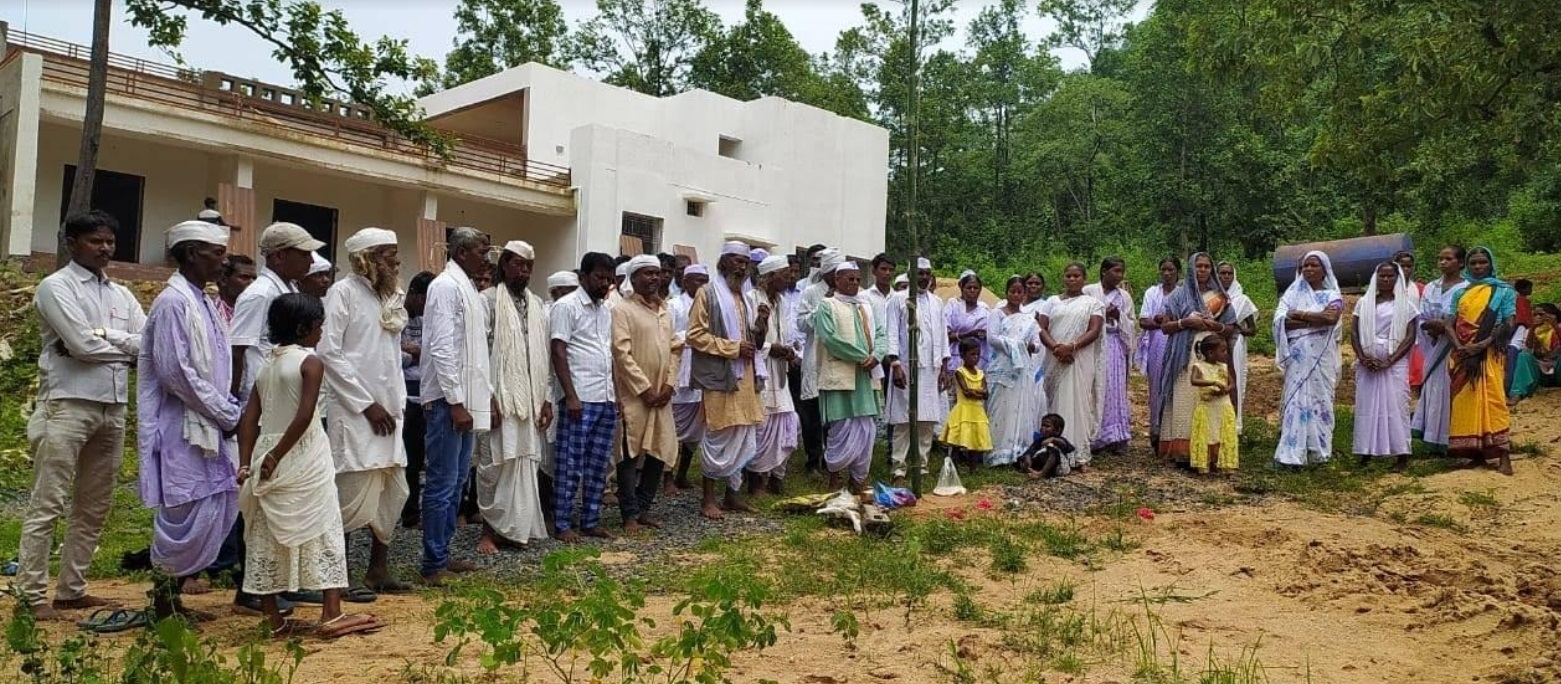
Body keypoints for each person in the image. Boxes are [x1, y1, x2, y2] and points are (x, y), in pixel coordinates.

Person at [20, 211, 145, 621]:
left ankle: (72, 589)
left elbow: (147, 344)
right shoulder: (56, 287)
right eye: (95, 241)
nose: (105, 248)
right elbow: (80, 345)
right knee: (48, 501)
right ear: (71, 242)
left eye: (109, 241)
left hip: (112, 405)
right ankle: (31, 593)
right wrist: (120, 351)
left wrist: (105, 340)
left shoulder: (122, 295)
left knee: (94, 505)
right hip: (67, 403)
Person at [237, 293, 384, 639]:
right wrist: (279, 455)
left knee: (266, 531)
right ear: (304, 328)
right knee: (323, 523)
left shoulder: (267, 364)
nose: (322, 331)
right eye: (319, 325)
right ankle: (331, 613)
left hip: (268, 446)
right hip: (302, 450)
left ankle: (273, 618)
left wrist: (248, 462)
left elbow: (249, 418)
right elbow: (305, 416)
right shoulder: (311, 362)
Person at [138, 220, 241, 620]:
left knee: (213, 507)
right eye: (217, 253)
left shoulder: (204, 301)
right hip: (182, 427)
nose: (223, 260)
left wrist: (224, 411)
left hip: (210, 424)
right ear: (192, 253)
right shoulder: (173, 302)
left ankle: (173, 600)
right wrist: (223, 411)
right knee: (183, 514)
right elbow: (176, 372)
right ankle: (162, 606)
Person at [317, 227, 412, 596]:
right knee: (352, 490)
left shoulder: (389, 296)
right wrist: (366, 404)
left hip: (391, 409)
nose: (397, 261)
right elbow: (328, 352)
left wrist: (387, 403)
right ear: (366, 258)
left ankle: (378, 570)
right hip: (358, 412)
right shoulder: (342, 293)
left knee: (392, 489)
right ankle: (337, 578)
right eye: (389, 255)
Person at [418, 227, 491, 583]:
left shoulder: (466, 287)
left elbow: (473, 353)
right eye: (481, 251)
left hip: (464, 401)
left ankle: (442, 555)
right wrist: (456, 401)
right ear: (462, 253)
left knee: (458, 481)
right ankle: (432, 563)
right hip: (450, 403)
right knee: (442, 483)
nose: (486, 258)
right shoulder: (446, 287)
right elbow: (443, 349)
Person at [687, 241, 765, 519]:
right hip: (719, 376)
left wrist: (760, 328)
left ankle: (732, 495)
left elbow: (750, 337)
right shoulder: (707, 293)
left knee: (744, 435)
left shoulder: (745, 297)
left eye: (745, 262)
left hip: (745, 377)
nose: (741, 267)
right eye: (735, 261)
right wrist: (732, 348)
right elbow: (694, 335)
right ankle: (708, 499)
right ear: (722, 262)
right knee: (718, 435)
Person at [551, 252, 618, 541]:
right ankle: (563, 523)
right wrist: (571, 395)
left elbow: (607, 353)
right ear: (583, 277)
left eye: (609, 279)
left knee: (598, 464)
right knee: (570, 464)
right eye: (599, 277)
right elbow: (558, 350)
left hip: (605, 397)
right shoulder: (566, 306)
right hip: (580, 397)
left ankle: (590, 520)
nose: (604, 284)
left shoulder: (606, 310)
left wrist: (616, 396)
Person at [610, 255, 675, 532]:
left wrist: (669, 385)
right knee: (629, 452)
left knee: (662, 448)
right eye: (646, 274)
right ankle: (629, 515)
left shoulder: (665, 311)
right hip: (634, 394)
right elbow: (620, 353)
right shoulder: (622, 310)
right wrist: (644, 389)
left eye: (656, 274)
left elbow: (675, 349)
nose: (653, 279)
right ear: (633, 278)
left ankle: (644, 506)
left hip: (662, 394)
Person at [1155, 253, 1236, 466]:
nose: (1203, 270)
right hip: (1184, 354)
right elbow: (1165, 327)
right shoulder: (1177, 296)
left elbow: (1230, 328)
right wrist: (1186, 322)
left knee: (1208, 399)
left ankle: (1210, 451)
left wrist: (1214, 326)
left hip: (1211, 355)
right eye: (1198, 266)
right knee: (1185, 397)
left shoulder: (1220, 297)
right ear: (1191, 269)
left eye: (1207, 266)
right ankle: (1183, 451)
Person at [812, 261, 884, 493]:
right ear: (837, 280)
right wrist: (862, 356)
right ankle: (835, 477)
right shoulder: (827, 306)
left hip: (866, 375)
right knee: (840, 429)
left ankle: (858, 478)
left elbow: (882, 333)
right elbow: (830, 339)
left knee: (865, 429)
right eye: (849, 278)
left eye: (857, 279)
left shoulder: (866, 306)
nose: (854, 283)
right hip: (841, 375)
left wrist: (877, 356)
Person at [1447, 246, 1517, 475]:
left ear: (1490, 264)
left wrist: (1481, 345)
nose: (1478, 267)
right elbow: (1450, 323)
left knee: (1494, 401)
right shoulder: (1460, 293)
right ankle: (1476, 454)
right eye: (1473, 263)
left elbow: (1509, 324)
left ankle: (1504, 454)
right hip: (1464, 355)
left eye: (1482, 263)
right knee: (1467, 402)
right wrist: (1461, 348)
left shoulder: (1503, 292)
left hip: (1490, 354)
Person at [1273, 251, 1344, 468]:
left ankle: (1319, 452)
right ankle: (1291, 454)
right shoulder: (1291, 295)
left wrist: (1298, 315)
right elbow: (1280, 323)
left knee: (1320, 400)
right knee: (1295, 401)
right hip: (1298, 357)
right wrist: (1314, 319)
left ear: (1324, 269)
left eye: (1314, 265)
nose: (1309, 269)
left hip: (1321, 358)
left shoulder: (1333, 295)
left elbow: (1331, 318)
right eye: (1305, 266)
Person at [885, 258, 951, 485]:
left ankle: (921, 465)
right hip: (906, 365)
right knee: (903, 419)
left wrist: (944, 366)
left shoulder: (936, 302)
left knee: (927, 419)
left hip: (931, 369)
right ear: (911, 274)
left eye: (927, 274)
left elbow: (942, 336)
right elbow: (892, 332)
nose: (924, 278)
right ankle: (899, 468)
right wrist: (895, 364)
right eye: (919, 273)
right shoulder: (898, 299)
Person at [1039, 262, 1106, 474]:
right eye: (1068, 276)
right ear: (1063, 278)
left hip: (1079, 360)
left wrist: (1072, 347)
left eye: (1077, 276)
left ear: (1084, 279)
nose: (1072, 279)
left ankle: (1080, 454)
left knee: (1080, 405)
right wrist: (1057, 348)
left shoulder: (1093, 303)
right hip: (1055, 358)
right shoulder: (1051, 302)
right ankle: (1052, 453)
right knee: (1055, 404)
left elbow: (1094, 330)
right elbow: (1040, 327)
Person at [1351, 263, 1418, 471]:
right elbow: (1353, 332)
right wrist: (1362, 357)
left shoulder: (1406, 305)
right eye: (1383, 276)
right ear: (1376, 277)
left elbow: (1410, 336)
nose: (1386, 280)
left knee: (1396, 406)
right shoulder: (1364, 303)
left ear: (1397, 279)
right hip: (1369, 362)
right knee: (1367, 406)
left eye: (1391, 276)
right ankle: (1366, 451)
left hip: (1394, 362)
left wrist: (1390, 360)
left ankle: (1401, 454)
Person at [746, 255, 802, 495]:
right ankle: (756, 479)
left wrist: (790, 351)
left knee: (789, 422)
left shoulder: (781, 301)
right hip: (759, 371)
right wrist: (771, 348)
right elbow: (749, 338)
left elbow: (787, 334)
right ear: (769, 277)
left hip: (780, 372)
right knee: (761, 424)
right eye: (784, 273)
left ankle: (777, 475)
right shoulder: (751, 299)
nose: (789, 277)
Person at [1411, 247, 1470, 453]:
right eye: (1440, 258)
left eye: (1448, 258)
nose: (1443, 262)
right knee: (1434, 389)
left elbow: (1465, 318)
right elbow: (1422, 315)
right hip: (1432, 343)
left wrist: (1445, 326)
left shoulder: (1467, 288)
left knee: (1450, 388)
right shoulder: (1430, 287)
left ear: (1460, 263)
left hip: (1453, 346)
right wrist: (1433, 327)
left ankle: (1451, 437)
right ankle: (1432, 437)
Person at [796, 248, 844, 475]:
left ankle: (832, 459)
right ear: (826, 271)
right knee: (812, 413)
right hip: (815, 357)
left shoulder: (846, 293)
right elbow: (802, 325)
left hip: (837, 360)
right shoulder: (811, 292)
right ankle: (812, 459)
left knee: (833, 413)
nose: (838, 276)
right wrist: (822, 306)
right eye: (835, 272)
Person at [984, 276, 1042, 467]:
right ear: (1007, 292)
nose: (1016, 295)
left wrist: (1030, 346)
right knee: (999, 408)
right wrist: (1016, 346)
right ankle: (996, 452)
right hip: (1001, 368)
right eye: (1013, 291)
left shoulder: (1029, 319)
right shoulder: (997, 314)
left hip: (1021, 371)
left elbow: (1037, 344)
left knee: (1019, 407)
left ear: (1025, 294)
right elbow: (992, 339)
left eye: (1020, 292)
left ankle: (1016, 450)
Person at [1082, 257, 1137, 453]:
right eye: (1115, 271)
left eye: (1121, 271)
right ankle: (1092, 434)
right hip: (1093, 345)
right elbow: (1080, 314)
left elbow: (1131, 323)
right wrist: (1101, 314)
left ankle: (1116, 436)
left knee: (1114, 389)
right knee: (1093, 387)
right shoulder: (1089, 291)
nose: (1119, 276)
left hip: (1114, 346)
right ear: (1104, 271)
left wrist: (1118, 316)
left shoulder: (1124, 297)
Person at [666, 264, 709, 494]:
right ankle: (667, 476)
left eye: (705, 281)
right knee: (672, 426)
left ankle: (683, 473)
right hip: (679, 368)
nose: (701, 285)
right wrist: (690, 338)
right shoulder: (673, 305)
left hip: (701, 372)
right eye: (696, 280)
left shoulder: (709, 306)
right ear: (684, 282)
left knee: (695, 429)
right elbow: (667, 336)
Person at [399, 271, 435, 529]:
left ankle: (413, 513)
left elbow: (433, 353)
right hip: (401, 394)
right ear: (413, 294)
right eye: (424, 300)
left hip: (424, 393)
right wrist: (412, 354)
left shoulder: (426, 318)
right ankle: (404, 512)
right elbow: (391, 355)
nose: (426, 307)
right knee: (404, 458)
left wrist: (415, 352)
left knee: (419, 457)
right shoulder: (396, 316)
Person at [1138, 258, 1181, 450]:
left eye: (1171, 269)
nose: (1167, 273)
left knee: (1176, 386)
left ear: (1178, 271)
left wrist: (1169, 322)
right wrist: (1165, 323)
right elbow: (1144, 321)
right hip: (1156, 343)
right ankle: (1156, 432)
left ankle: (1174, 434)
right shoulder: (1152, 292)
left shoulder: (1183, 293)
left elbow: (1187, 318)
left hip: (1177, 343)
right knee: (1156, 387)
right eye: (1163, 269)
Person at [1215, 262, 1260, 432]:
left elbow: (1252, 329)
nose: (1225, 276)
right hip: (1213, 342)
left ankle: (1234, 425)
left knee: (1234, 380)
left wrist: (1239, 330)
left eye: (1229, 273)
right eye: (1222, 273)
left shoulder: (1243, 300)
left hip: (1234, 343)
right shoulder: (1211, 297)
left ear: (1234, 276)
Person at [1189, 335, 1238, 475]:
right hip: (1207, 405)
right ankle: (1204, 464)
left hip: (1222, 404)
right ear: (1210, 353)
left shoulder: (1223, 366)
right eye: (1223, 351)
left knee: (1223, 433)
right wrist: (1213, 383)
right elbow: (1194, 381)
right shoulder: (1198, 366)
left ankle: (1223, 463)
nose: (1225, 354)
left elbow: (1232, 383)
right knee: (1207, 433)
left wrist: (1226, 390)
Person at [943, 338, 992, 464]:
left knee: (975, 440)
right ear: (962, 355)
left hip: (977, 412)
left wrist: (976, 392)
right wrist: (978, 392)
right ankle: (954, 464)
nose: (975, 357)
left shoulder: (981, 373)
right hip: (963, 410)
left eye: (977, 354)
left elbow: (986, 393)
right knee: (957, 439)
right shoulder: (960, 372)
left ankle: (973, 467)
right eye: (972, 354)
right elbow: (966, 392)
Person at [1510, 303, 1560, 397]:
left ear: (1553, 316)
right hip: (1542, 371)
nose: (1538, 317)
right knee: (1523, 355)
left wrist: (1555, 326)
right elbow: (1528, 349)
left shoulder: (1558, 328)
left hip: (1557, 369)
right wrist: (1533, 328)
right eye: (1535, 315)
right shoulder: (1532, 330)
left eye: (1541, 315)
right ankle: (1517, 393)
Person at [1394, 250, 1427, 389]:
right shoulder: (1387, 288)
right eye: (1402, 266)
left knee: (1416, 374)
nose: (1406, 269)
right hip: (1394, 335)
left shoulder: (1420, 289)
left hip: (1416, 337)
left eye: (1409, 266)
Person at [946, 271, 991, 371]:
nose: (972, 290)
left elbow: (993, 333)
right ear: (962, 288)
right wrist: (969, 334)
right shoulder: (953, 304)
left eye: (975, 288)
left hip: (979, 361)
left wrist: (985, 334)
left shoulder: (985, 309)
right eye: (969, 287)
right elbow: (946, 336)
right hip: (955, 360)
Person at [1016, 414, 1073, 479]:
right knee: (1026, 457)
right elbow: (1031, 450)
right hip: (1045, 467)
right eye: (1042, 425)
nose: (1043, 428)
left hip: (1059, 468)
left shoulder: (1060, 440)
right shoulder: (1039, 440)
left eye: (1047, 426)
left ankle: (1041, 474)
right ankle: (1028, 468)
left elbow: (1067, 447)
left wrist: (1053, 439)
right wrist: (1027, 458)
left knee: (1053, 450)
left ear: (1057, 430)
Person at [1506, 279, 1536, 399]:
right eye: (1529, 288)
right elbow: (1521, 320)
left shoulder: (1519, 300)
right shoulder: (1521, 301)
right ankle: (1510, 386)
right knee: (1515, 357)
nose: (1531, 290)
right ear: (1523, 289)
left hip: (1521, 330)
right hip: (1520, 332)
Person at [212, 254, 257, 327]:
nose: (252, 283)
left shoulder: (256, 310)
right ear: (223, 280)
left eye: (254, 278)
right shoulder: (211, 311)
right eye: (245, 277)